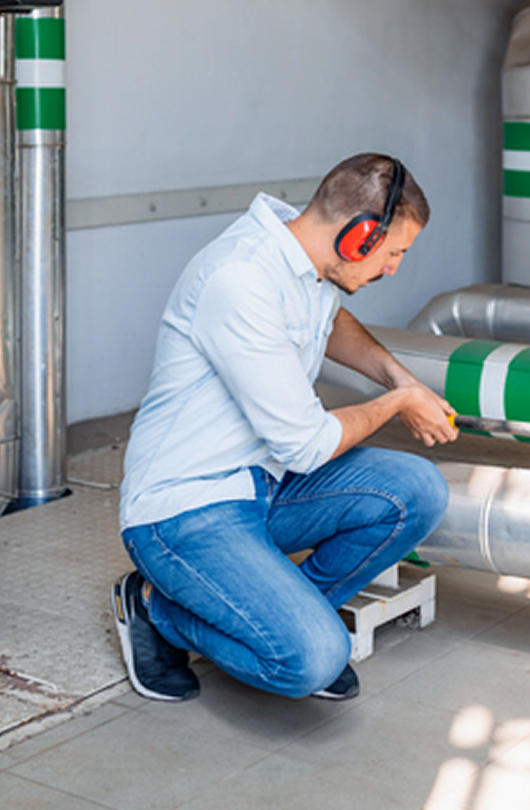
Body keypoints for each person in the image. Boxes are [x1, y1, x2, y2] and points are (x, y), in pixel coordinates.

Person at [112, 153, 458, 703]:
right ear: (359, 237)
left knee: (418, 491)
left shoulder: (306, 263)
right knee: (313, 659)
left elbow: (330, 322)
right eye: (393, 253)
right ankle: (159, 609)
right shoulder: (241, 278)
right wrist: (396, 403)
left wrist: (402, 378)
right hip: (186, 511)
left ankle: (277, 615)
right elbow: (307, 443)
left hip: (266, 488)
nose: (393, 268)